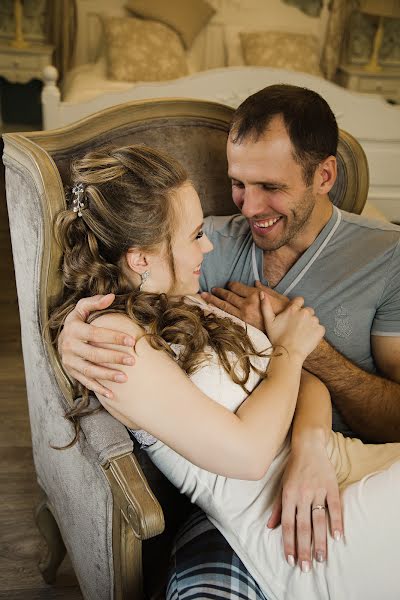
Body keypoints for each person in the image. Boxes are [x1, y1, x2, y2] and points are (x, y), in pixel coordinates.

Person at [57, 85, 400, 599]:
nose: (219, 234)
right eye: (238, 185)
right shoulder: (133, 323)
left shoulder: (187, 297)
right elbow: (248, 454)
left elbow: (310, 385)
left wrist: (308, 438)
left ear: (324, 176)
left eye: (270, 186)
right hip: (290, 524)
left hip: (336, 462)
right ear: (142, 258)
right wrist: (67, 336)